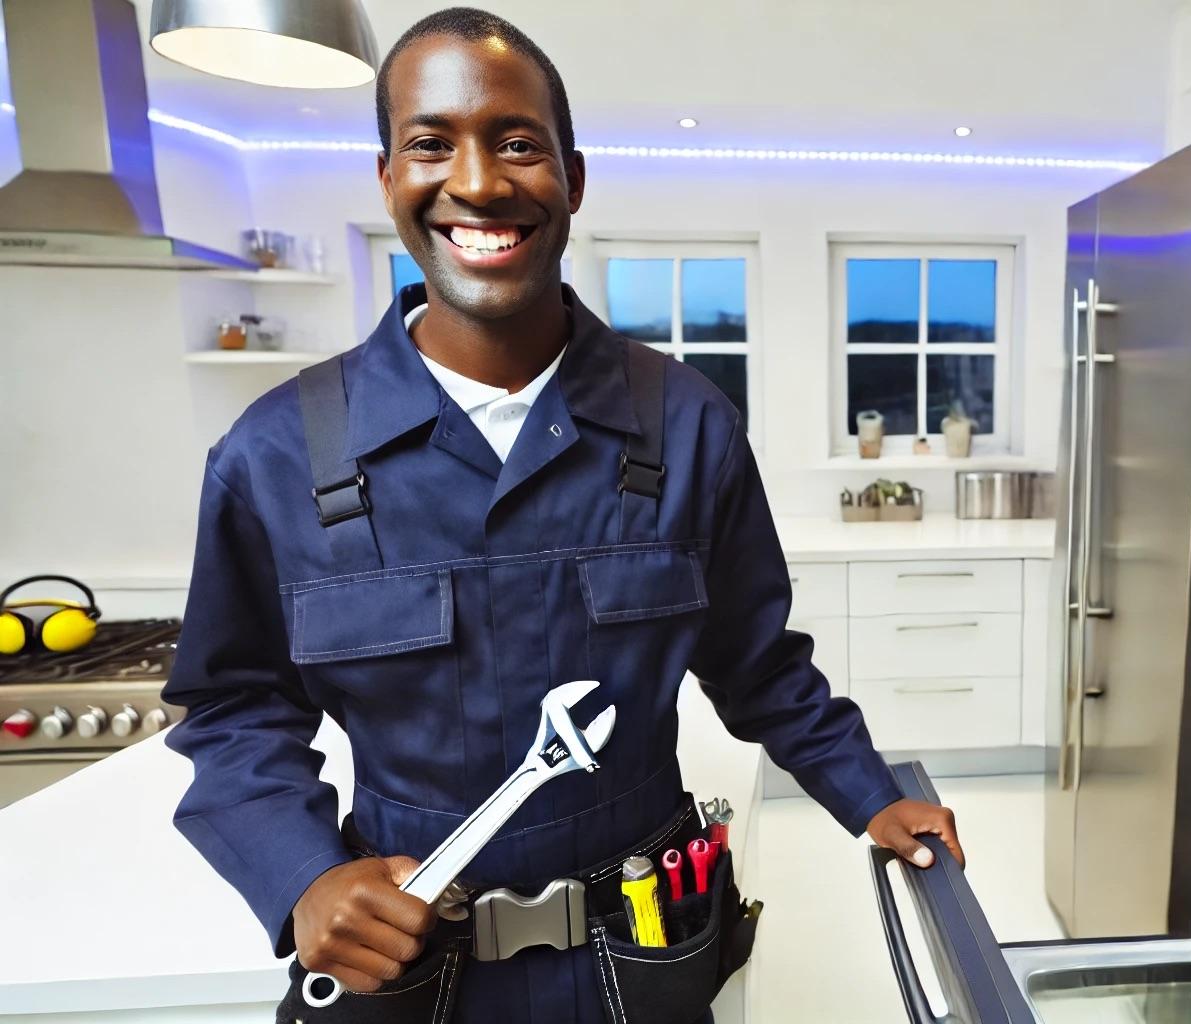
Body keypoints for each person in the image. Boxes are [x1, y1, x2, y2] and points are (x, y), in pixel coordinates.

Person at [161, 8, 962, 1022]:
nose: (480, 182)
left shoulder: (687, 423)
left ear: (573, 180)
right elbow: (233, 710)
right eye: (429, 143)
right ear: (386, 181)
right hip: (405, 974)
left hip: (645, 960)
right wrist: (303, 875)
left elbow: (757, 665)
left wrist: (868, 792)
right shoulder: (275, 452)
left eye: (516, 143)